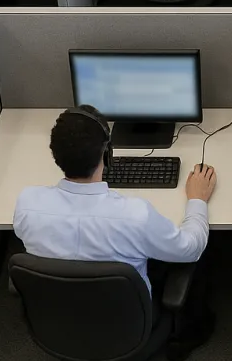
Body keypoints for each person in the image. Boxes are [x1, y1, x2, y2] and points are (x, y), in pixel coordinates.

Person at [13, 106, 215, 293]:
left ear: (55, 155)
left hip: (55, 315)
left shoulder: (27, 205)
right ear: (108, 154)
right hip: (127, 322)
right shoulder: (136, 217)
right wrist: (197, 200)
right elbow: (190, 249)